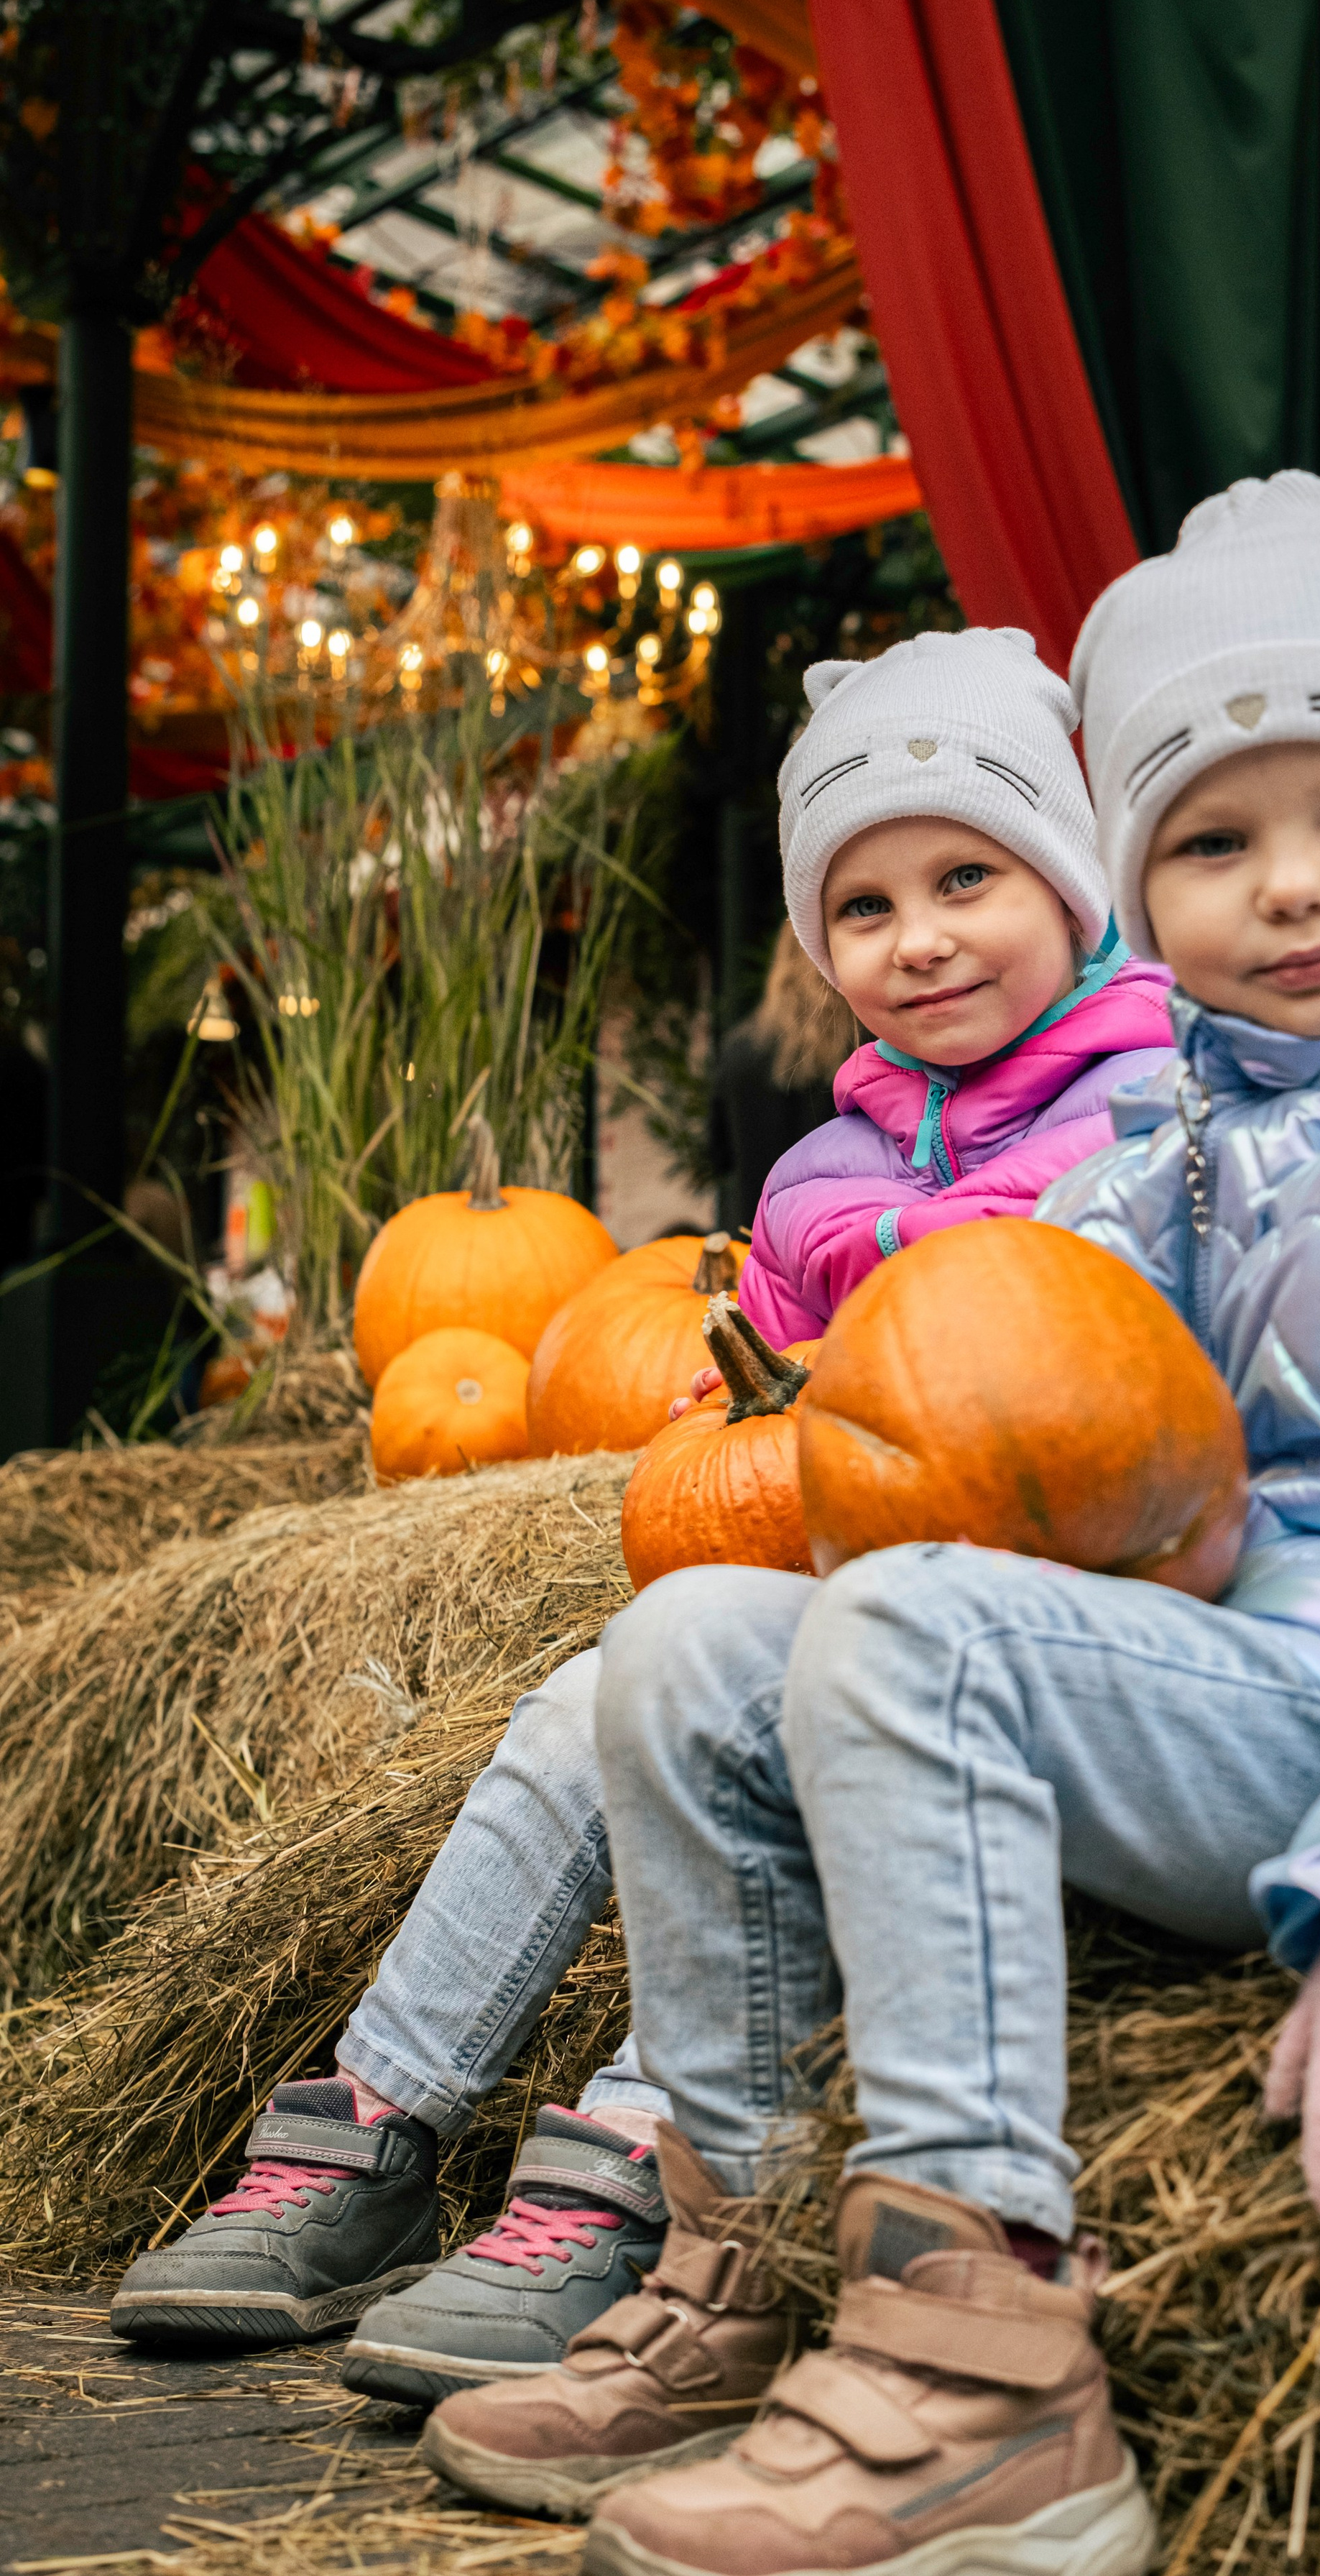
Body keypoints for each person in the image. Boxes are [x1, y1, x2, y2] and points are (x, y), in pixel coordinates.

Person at [401, 474, 1320, 2576]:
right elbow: (1000, 1359)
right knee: (693, 1640)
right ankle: (763, 2252)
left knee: (915, 1637)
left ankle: (988, 2390)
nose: (1292, 884)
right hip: (1274, 1659)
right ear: (1141, 885)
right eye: (1212, 839)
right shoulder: (1193, 1116)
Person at [106, 627, 1173, 2408]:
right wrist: (731, 1394)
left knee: (757, 1730)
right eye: (862, 905)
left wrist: (851, 1353)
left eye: (966, 876)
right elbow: (751, 1406)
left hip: (1007, 1612)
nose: (915, 937)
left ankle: (631, 2156)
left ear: (1070, 878)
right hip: (811, 1578)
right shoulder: (828, 1160)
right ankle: (372, 2120)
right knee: (587, 1696)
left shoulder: (1140, 1112)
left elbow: (1056, 1363)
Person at [706, 922, 854, 1236]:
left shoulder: (738, 1050)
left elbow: (718, 1157)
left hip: (755, 1237)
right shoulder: (865, 1050)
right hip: (840, 1240)